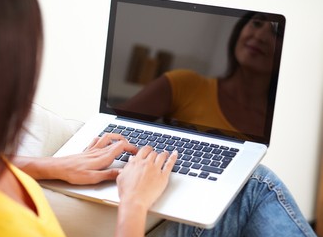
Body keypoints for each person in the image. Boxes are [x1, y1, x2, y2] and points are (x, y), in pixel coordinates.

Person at [0, 0, 319, 237]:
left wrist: (49, 165)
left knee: (248, 184)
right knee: (255, 187)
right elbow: (128, 116)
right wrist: (135, 201)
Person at [119, 12, 282, 141]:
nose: (260, 37)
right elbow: (112, 132)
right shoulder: (184, 84)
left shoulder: (280, 125)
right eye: (257, 22)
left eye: (276, 32)